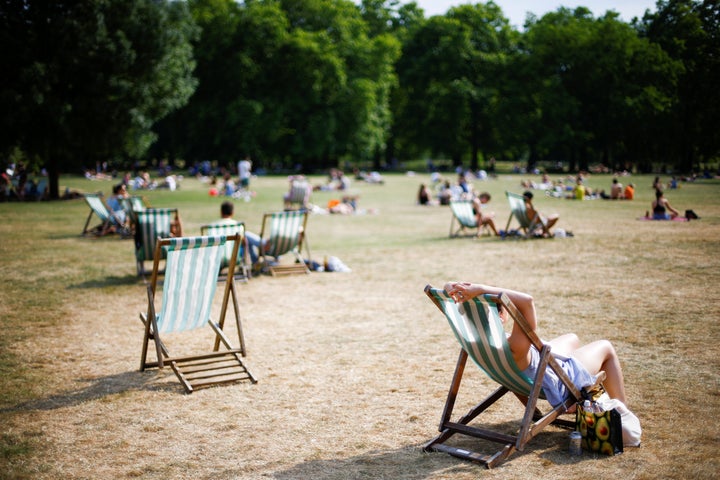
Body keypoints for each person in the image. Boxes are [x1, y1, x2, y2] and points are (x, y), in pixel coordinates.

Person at [442, 282, 628, 408]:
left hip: (525, 372)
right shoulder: (514, 347)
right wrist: (482, 288)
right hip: (559, 379)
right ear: (499, 316)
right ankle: (622, 414)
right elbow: (527, 301)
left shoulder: (474, 340)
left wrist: (454, 287)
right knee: (606, 347)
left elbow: (447, 286)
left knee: (572, 337)